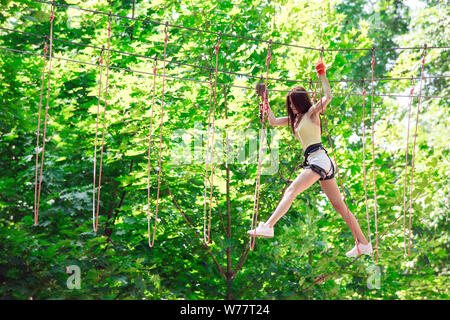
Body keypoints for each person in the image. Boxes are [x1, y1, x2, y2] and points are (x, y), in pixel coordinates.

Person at [247, 59, 372, 258]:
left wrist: (322, 75)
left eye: (294, 103)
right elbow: (271, 121)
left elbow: (328, 96)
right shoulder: (294, 120)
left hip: (319, 160)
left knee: (291, 190)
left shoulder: (312, 114)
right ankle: (364, 243)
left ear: (301, 102)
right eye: (289, 104)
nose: (292, 107)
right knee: (339, 206)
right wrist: (264, 98)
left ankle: (269, 225)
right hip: (319, 161)